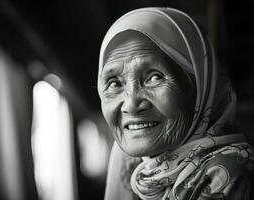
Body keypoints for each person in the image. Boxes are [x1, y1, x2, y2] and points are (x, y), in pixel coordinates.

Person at [97, 7, 254, 200]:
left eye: (154, 77)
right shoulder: (133, 163)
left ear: (199, 85)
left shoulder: (227, 171)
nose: (131, 104)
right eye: (114, 83)